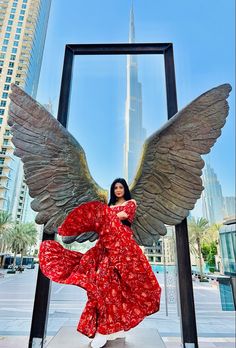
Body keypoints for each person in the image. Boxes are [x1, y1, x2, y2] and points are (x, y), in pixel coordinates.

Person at [39, 178, 161, 348]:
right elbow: (102, 220)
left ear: (125, 189)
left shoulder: (131, 203)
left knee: (118, 288)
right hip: (105, 246)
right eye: (115, 188)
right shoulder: (108, 207)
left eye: (120, 187)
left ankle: (106, 330)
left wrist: (103, 217)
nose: (118, 190)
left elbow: (123, 215)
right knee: (105, 285)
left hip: (122, 247)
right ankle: (108, 328)